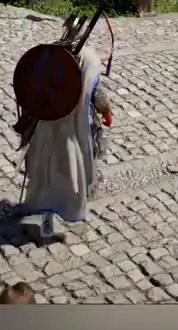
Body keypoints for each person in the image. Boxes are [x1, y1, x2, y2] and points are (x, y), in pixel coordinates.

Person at [21, 44, 113, 241]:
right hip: (71, 134)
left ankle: (46, 220)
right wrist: (106, 110)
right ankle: (49, 225)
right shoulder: (89, 60)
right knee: (68, 181)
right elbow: (97, 95)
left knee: (45, 180)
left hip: (46, 126)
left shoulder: (56, 55)